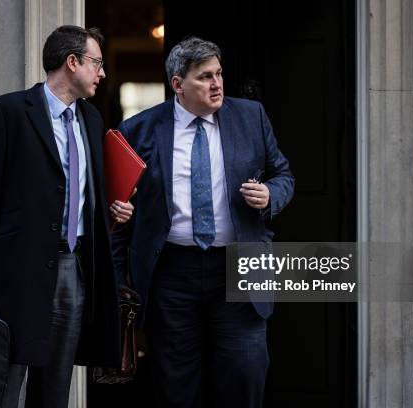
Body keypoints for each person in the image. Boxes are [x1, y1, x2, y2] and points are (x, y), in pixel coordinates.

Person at [112, 37, 294, 407]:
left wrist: (271, 195)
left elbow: (283, 174)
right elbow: (120, 210)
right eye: (205, 76)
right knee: (175, 384)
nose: (217, 84)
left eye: (220, 74)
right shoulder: (138, 130)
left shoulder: (251, 116)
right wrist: (119, 281)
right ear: (178, 84)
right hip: (170, 275)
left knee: (244, 375)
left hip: (238, 269)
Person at [0, 25, 134, 408]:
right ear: (72, 62)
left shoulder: (91, 120)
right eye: (97, 64)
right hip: (16, 271)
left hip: (74, 268)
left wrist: (112, 212)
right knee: (3, 385)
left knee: (55, 386)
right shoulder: (7, 112)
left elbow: (82, 193)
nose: (102, 74)